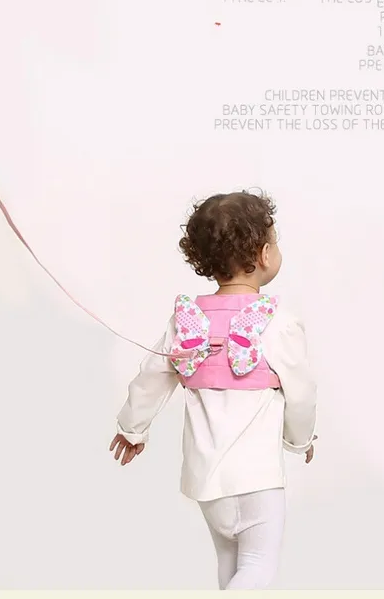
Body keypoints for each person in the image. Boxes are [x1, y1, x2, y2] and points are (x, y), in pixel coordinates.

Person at [109, 191, 318, 590]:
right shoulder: (278, 323)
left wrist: (132, 428)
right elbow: (302, 392)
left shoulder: (188, 320)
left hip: (207, 483)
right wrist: (300, 440)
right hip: (257, 480)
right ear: (265, 254)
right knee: (257, 569)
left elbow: (152, 374)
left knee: (229, 565)